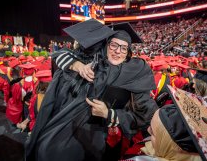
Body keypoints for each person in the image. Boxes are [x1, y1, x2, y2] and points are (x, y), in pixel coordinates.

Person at [25, 19, 158, 161]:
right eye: (113, 45)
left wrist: (109, 114)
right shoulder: (92, 65)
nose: (117, 51)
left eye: (123, 48)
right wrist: (76, 65)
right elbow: (61, 54)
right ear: (106, 46)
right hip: (63, 128)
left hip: (95, 137)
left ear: (128, 52)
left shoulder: (134, 72)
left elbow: (146, 114)